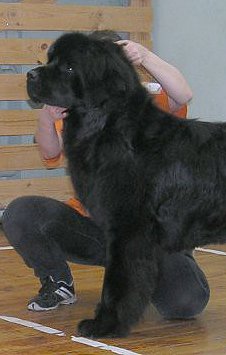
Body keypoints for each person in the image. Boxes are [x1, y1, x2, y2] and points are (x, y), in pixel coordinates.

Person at [2, 38, 210, 319]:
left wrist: (146, 55)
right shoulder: (80, 104)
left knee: (185, 302)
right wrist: (47, 116)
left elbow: (183, 94)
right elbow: (49, 152)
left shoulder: (147, 102)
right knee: (20, 213)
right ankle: (58, 282)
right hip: (95, 229)